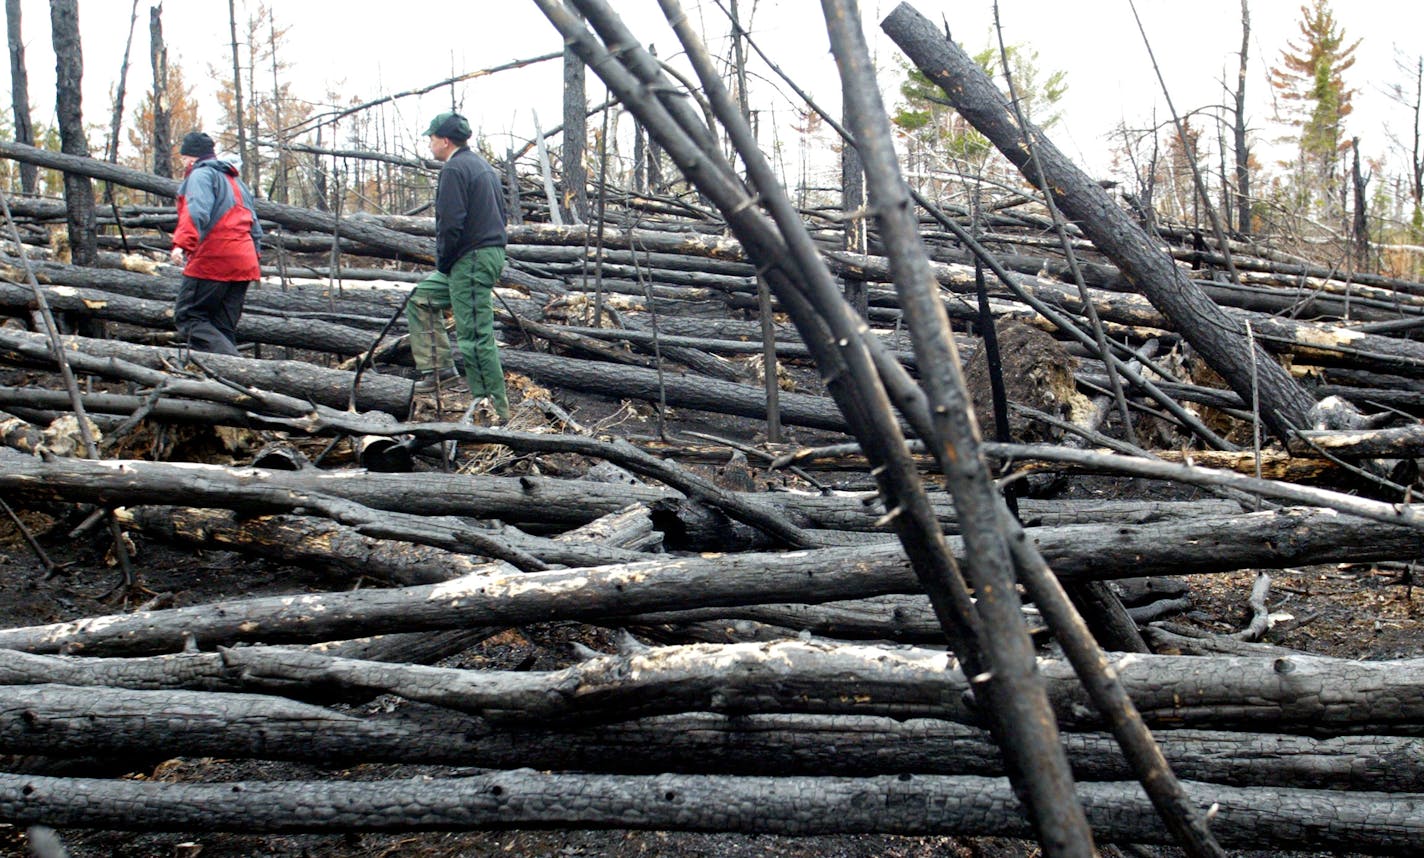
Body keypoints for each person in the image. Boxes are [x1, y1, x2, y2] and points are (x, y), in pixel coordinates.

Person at [407, 111, 510, 419]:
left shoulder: (455, 169)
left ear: (445, 140)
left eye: (432, 138)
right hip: (478, 255)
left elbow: (450, 224)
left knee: (475, 335)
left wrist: (445, 261)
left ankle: (494, 410)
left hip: (472, 258)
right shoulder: (481, 167)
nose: (429, 143)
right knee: (422, 299)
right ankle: (438, 369)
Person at [169, 131, 262, 356]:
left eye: (183, 158)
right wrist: (254, 257)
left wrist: (181, 244)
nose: (183, 163)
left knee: (188, 317)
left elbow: (196, 210)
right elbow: (255, 226)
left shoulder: (200, 176)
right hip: (244, 261)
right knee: (221, 327)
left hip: (215, 258)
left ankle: (242, 370)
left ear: (191, 157)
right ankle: (226, 387)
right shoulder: (235, 181)